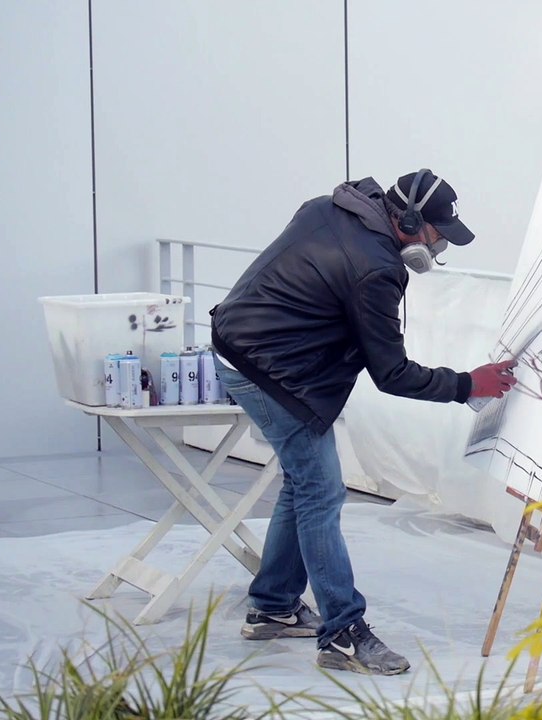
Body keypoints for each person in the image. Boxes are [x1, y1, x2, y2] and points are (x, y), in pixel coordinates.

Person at [209, 169, 517, 675]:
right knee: (322, 491)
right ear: (412, 222)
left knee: (305, 484)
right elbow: (392, 373)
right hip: (263, 367)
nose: (439, 249)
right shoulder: (376, 269)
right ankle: (343, 634)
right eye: (438, 237)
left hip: (240, 341)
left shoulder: (330, 207)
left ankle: (274, 605)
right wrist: (468, 385)